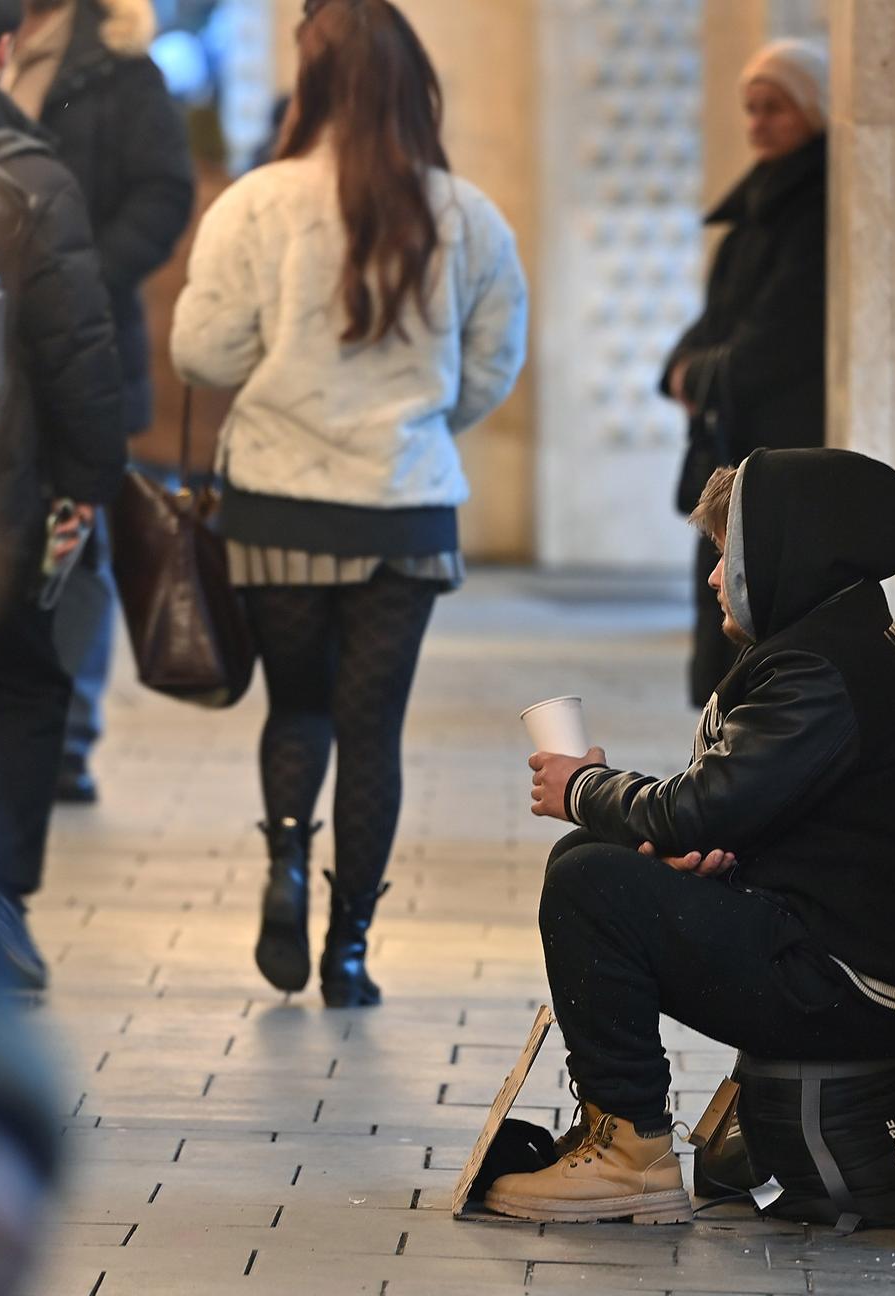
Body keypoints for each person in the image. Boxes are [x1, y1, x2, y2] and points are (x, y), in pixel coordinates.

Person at [484, 449, 895, 1224]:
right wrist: (721, 846)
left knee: (589, 880)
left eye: (728, 551)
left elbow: (695, 809)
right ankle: (614, 1134)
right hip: (862, 960)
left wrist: (582, 786)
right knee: (595, 857)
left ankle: (629, 1157)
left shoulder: (821, 669)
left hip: (857, 987)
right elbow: (760, 809)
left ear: (791, 553)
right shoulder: (852, 643)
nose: (715, 576)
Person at [171, 0, 527, 1010]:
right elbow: (492, 359)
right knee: (375, 732)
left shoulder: (257, 203)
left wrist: (281, 363)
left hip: (279, 501)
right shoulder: (463, 214)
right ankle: (352, 951)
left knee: (300, 707)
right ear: (414, 84)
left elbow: (200, 352)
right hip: (403, 509)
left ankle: (285, 862)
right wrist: (417, 416)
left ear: (313, 80)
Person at [0, 0, 125, 990]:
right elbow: (76, 351)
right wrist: (87, 483)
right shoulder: (27, 180)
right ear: (3, 47)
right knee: (22, 686)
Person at [5, 0, 194, 803]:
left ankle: (69, 739)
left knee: (77, 542)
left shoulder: (122, 66)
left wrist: (79, 276)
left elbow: (164, 193)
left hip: (84, 335)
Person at [662, 38, 828, 709]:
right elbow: (708, 331)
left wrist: (694, 376)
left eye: (776, 109)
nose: (758, 124)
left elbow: (771, 344)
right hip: (734, 455)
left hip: (776, 453)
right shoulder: (757, 210)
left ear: (814, 112)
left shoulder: (813, 213)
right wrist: (689, 370)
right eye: (751, 109)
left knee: (749, 625)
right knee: (717, 617)